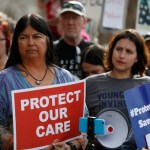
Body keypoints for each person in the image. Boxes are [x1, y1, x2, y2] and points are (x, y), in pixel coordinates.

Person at [0, 13, 83, 150]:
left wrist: (70, 146)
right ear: (16, 43)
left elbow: (83, 123)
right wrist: (18, 143)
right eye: (23, 37)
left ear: (48, 41)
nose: (31, 43)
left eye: (37, 36)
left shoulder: (65, 78)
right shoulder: (5, 80)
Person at [85, 29, 150, 149]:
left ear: (137, 57)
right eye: (118, 49)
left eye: (129, 51)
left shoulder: (146, 85)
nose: (122, 55)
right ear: (111, 50)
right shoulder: (90, 84)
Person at [54, 1, 93, 79]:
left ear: (84, 22)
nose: (70, 22)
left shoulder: (92, 50)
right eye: (66, 18)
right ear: (61, 21)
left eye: (75, 18)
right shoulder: (51, 49)